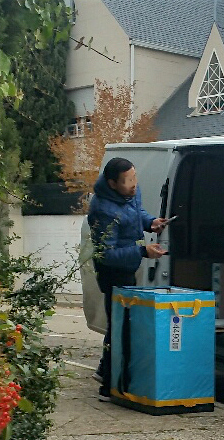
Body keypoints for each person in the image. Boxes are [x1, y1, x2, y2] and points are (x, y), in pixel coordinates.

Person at [88, 157, 167, 401]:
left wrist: (151, 222)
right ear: (112, 183)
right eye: (127, 181)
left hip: (128, 267)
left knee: (120, 324)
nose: (133, 184)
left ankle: (105, 371)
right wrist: (143, 251)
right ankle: (109, 387)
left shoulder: (129, 193)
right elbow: (107, 254)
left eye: (135, 178)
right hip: (113, 272)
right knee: (120, 327)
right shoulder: (102, 210)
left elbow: (135, 213)